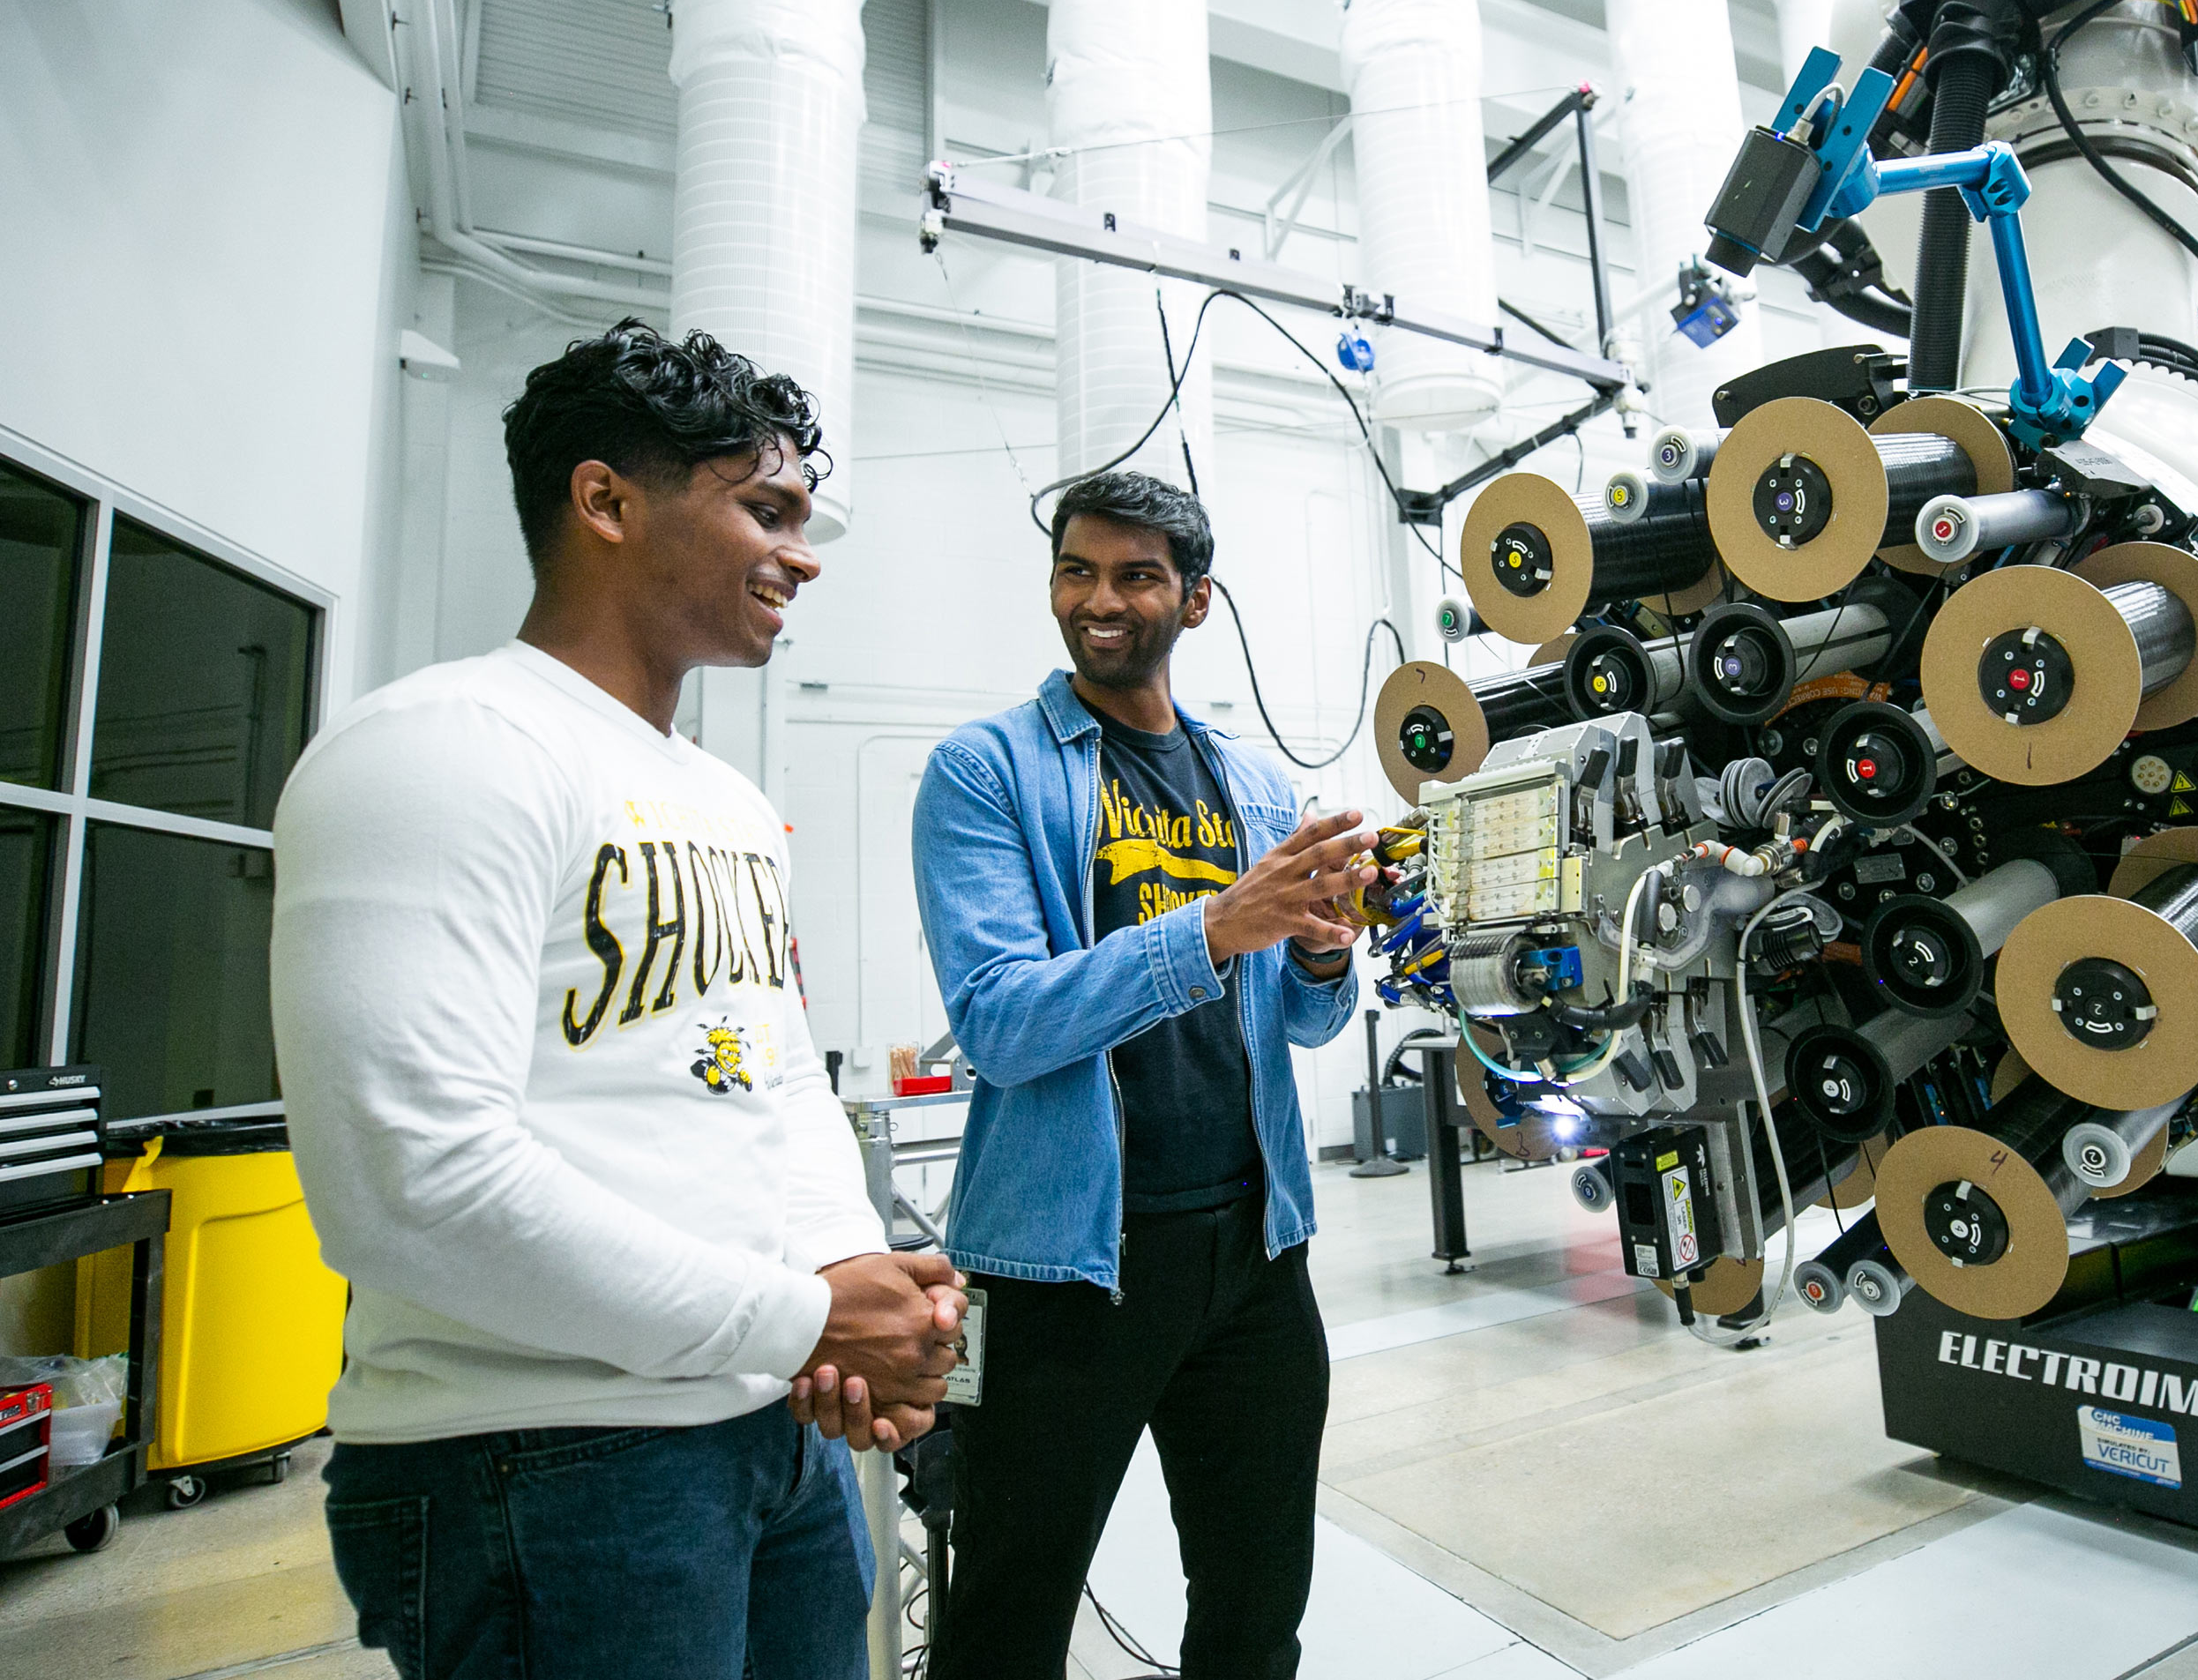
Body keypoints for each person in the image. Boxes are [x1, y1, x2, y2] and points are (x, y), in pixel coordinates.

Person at [272, 321, 965, 1680]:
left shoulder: (725, 801)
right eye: (764, 508)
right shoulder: (441, 747)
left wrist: (841, 1265)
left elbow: (777, 1082)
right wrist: (805, 1319)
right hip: (542, 1461)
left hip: (773, 1441)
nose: (803, 551)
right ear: (605, 500)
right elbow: (408, 1179)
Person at [906, 471, 1375, 1679]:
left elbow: (1307, 1027)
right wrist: (1218, 925)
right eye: (1077, 569)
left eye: (1134, 574)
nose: (1098, 598)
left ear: (1196, 599)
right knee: (1006, 1620)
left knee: (1256, 1604)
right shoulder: (987, 769)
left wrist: (1321, 949)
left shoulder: (1255, 784)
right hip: (1068, 1266)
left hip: (1257, 1253)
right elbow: (1002, 1019)